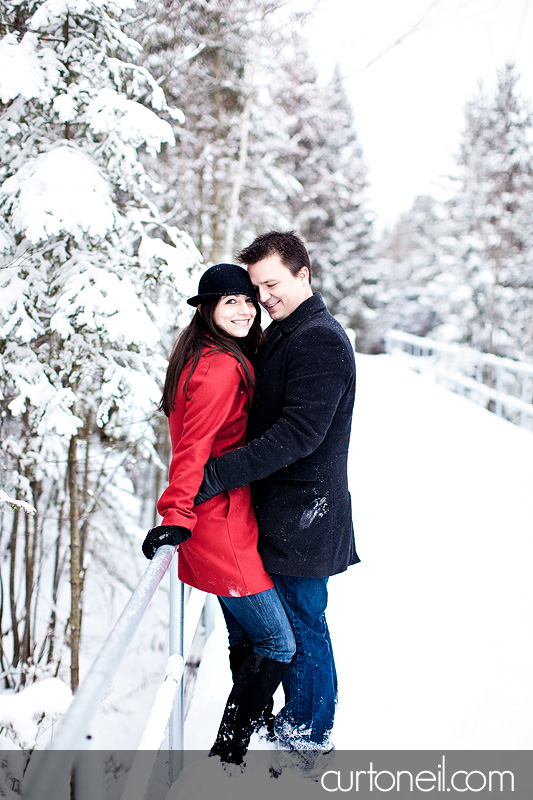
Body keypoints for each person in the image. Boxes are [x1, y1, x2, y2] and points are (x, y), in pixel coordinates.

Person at [196, 231, 360, 752]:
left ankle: (308, 733)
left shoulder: (319, 339)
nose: (264, 296)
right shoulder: (287, 332)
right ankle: (295, 722)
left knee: (303, 623)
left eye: (272, 284)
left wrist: (220, 474)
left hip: (304, 515)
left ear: (302, 275)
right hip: (285, 514)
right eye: (256, 286)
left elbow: (299, 433)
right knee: (293, 620)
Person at [142, 263, 296, 767]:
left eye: (249, 300)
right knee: (278, 641)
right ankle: (228, 751)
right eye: (230, 301)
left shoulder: (208, 355)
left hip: (231, 515)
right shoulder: (219, 367)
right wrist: (175, 512)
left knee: (250, 635)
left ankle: (251, 727)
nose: (245, 309)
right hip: (217, 523)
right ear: (207, 308)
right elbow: (192, 449)